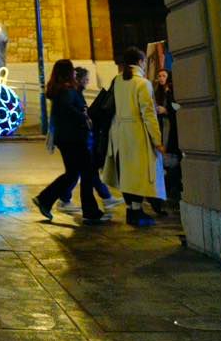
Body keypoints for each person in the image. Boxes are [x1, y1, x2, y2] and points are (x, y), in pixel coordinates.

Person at [32, 60, 107, 223]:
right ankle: (90, 211)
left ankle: (45, 199)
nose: (75, 72)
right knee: (86, 172)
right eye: (72, 70)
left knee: (73, 173)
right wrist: (84, 117)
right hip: (74, 139)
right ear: (67, 72)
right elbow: (68, 109)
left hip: (66, 138)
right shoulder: (67, 90)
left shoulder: (60, 89)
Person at [103, 46, 165, 226]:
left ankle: (131, 210)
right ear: (140, 61)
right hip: (137, 132)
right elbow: (149, 114)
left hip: (119, 132)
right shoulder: (142, 83)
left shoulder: (118, 80)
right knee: (139, 174)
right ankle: (137, 212)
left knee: (125, 173)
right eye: (144, 61)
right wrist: (157, 140)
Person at [57, 66, 121, 214]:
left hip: (78, 138)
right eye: (86, 78)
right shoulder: (72, 93)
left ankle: (104, 198)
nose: (88, 81)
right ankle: (62, 200)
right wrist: (85, 117)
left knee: (83, 171)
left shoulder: (75, 93)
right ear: (78, 79)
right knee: (81, 171)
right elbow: (71, 112)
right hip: (75, 139)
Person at [155, 68, 182, 210]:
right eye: (159, 76)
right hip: (162, 127)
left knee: (172, 159)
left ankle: (173, 191)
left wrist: (166, 110)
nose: (161, 78)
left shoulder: (171, 91)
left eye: (163, 75)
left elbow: (177, 107)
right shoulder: (157, 92)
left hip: (171, 129)